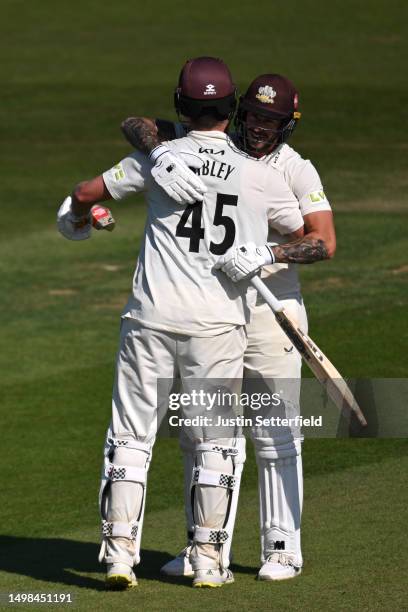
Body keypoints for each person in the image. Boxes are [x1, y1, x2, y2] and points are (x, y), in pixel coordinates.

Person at [57, 57, 305, 589]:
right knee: (215, 443)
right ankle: (208, 562)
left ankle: (121, 554)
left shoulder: (156, 159)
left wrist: (83, 216)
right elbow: (308, 233)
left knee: (131, 436)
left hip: (148, 319)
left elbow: (83, 195)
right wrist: (263, 246)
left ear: (179, 105)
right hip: (217, 328)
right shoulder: (260, 174)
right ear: (232, 108)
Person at [120, 72, 336, 581]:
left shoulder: (296, 171)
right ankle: (205, 550)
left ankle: (282, 548)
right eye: (255, 117)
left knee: (275, 432)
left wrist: (270, 251)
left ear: (289, 125)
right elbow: (135, 124)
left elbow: (323, 241)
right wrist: (162, 154)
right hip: (211, 314)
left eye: (273, 121)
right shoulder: (208, 142)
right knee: (208, 436)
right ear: (239, 113)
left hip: (269, 312)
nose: (261, 128)